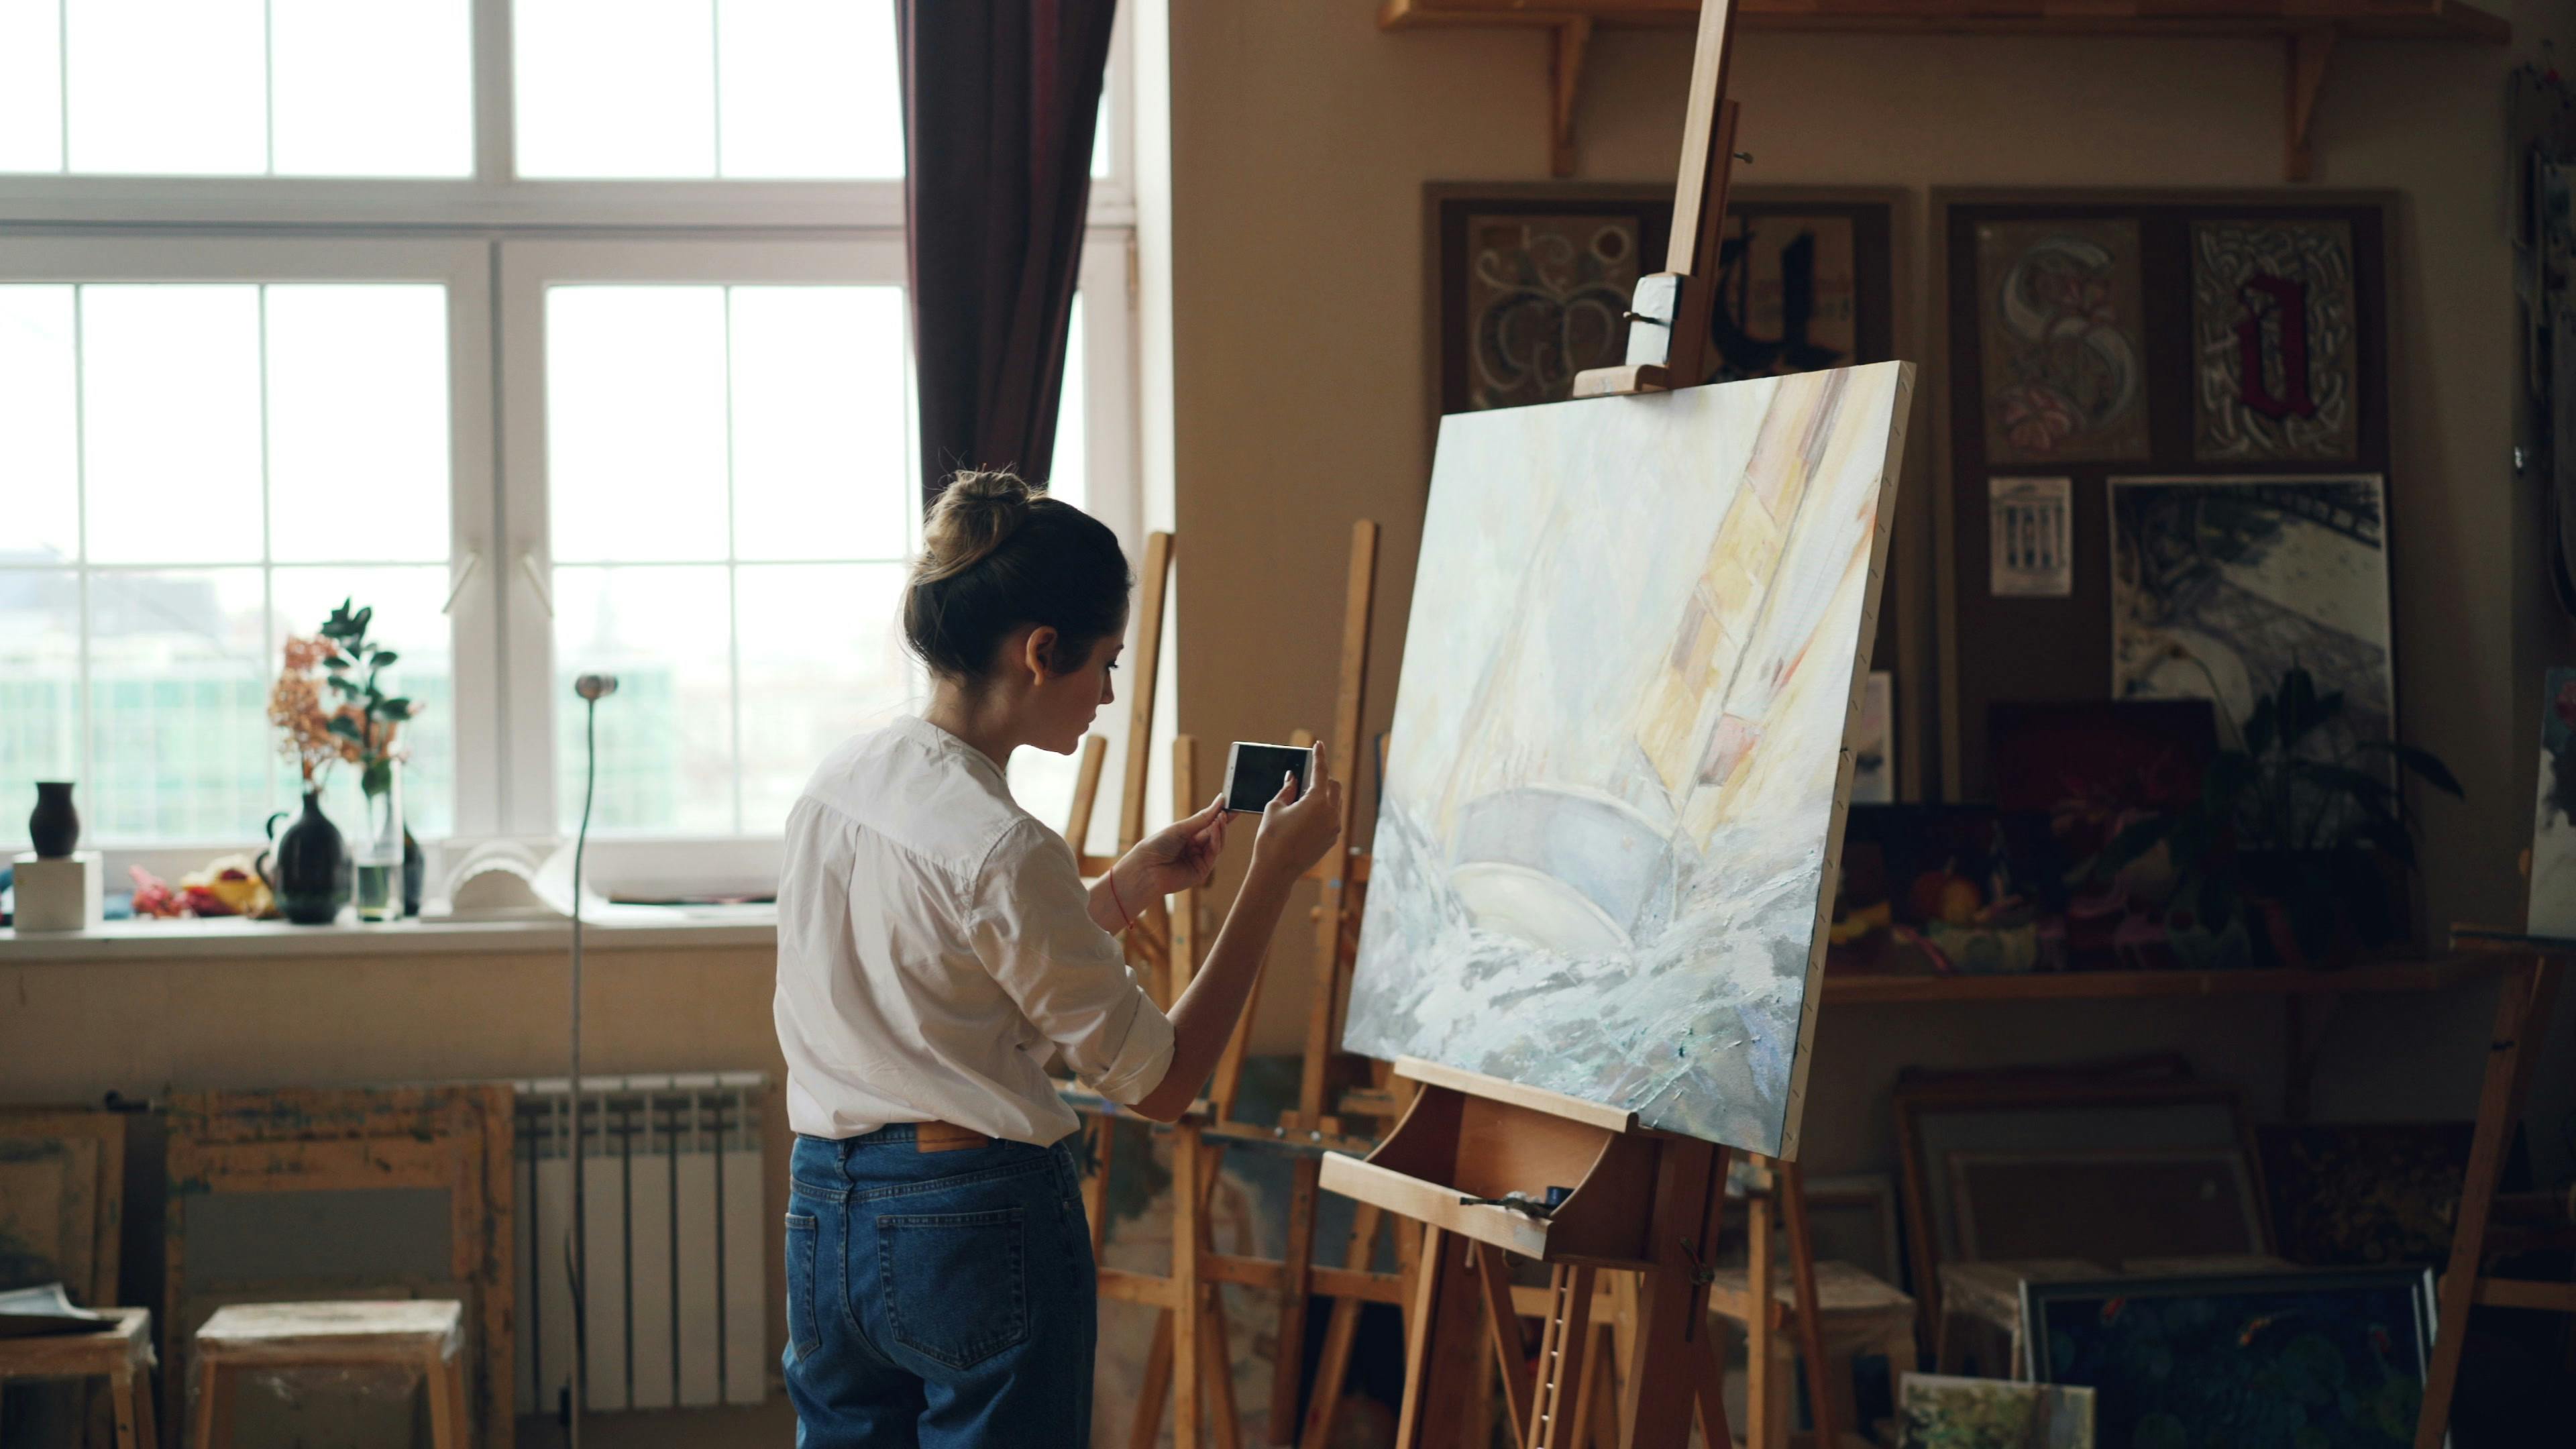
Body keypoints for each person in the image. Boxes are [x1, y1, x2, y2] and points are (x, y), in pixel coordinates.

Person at [773, 470, 1344, 1447]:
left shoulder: (841, 780)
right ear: (1041, 652)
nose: (1109, 695)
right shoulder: (1005, 845)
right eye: (1106, 664)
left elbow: (955, 976)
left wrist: (1122, 891)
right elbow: (1160, 1085)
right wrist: (1271, 879)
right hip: (970, 1220)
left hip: (826, 1206)